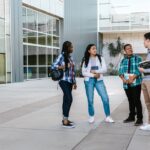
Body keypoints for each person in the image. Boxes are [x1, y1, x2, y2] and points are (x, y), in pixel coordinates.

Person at [81, 44, 114, 123]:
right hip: (89, 81)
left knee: (105, 98)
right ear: (89, 51)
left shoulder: (100, 58)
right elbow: (83, 72)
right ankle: (91, 116)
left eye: (95, 48)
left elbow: (104, 69)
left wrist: (96, 72)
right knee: (90, 99)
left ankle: (108, 116)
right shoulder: (85, 59)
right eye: (93, 49)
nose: (95, 50)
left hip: (99, 80)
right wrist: (93, 75)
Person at [51, 41, 77, 128]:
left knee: (66, 99)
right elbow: (53, 66)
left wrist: (74, 82)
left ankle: (65, 119)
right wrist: (63, 66)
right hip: (63, 80)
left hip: (69, 81)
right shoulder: (61, 56)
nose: (73, 48)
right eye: (71, 47)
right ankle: (65, 121)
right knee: (69, 98)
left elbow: (73, 72)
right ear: (67, 48)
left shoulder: (70, 57)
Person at [119, 44, 143, 126]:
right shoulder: (123, 60)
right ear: (125, 51)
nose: (130, 49)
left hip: (136, 83)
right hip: (126, 84)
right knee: (130, 100)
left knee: (137, 100)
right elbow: (120, 71)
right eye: (128, 49)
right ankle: (131, 116)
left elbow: (140, 70)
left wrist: (133, 78)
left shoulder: (138, 58)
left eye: (131, 48)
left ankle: (140, 119)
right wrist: (123, 79)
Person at [139, 32, 150, 130]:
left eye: (144, 40)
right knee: (147, 103)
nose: (143, 42)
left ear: (148, 40)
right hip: (145, 79)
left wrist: (144, 70)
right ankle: (149, 124)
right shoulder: (148, 52)